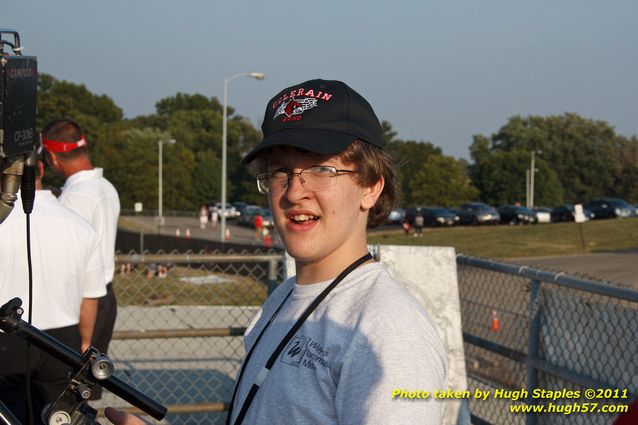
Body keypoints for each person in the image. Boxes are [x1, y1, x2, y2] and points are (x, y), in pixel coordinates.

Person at [105, 79, 447, 424]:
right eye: (280, 171)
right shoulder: (284, 297)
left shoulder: (389, 333)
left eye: (321, 169)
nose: (294, 192)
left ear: (371, 188)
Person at [0, 159, 106, 424]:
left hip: (6, 340)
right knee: (60, 417)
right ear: (42, 170)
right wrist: (84, 341)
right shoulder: (79, 224)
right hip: (62, 341)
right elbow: (90, 296)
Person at [41, 118, 121, 400]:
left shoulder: (74, 197)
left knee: (62, 395)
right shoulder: (106, 187)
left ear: (51, 156)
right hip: (104, 298)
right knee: (84, 392)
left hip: (81, 307)